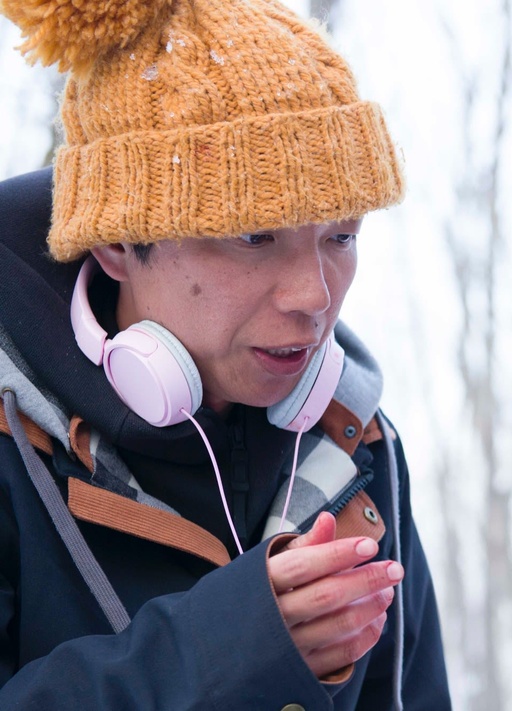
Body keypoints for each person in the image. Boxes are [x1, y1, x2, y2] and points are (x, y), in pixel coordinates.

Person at [0, 0, 451, 708]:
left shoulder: (360, 445)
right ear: (117, 242)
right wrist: (227, 647)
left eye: (340, 236)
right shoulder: (12, 447)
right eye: (253, 236)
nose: (314, 295)